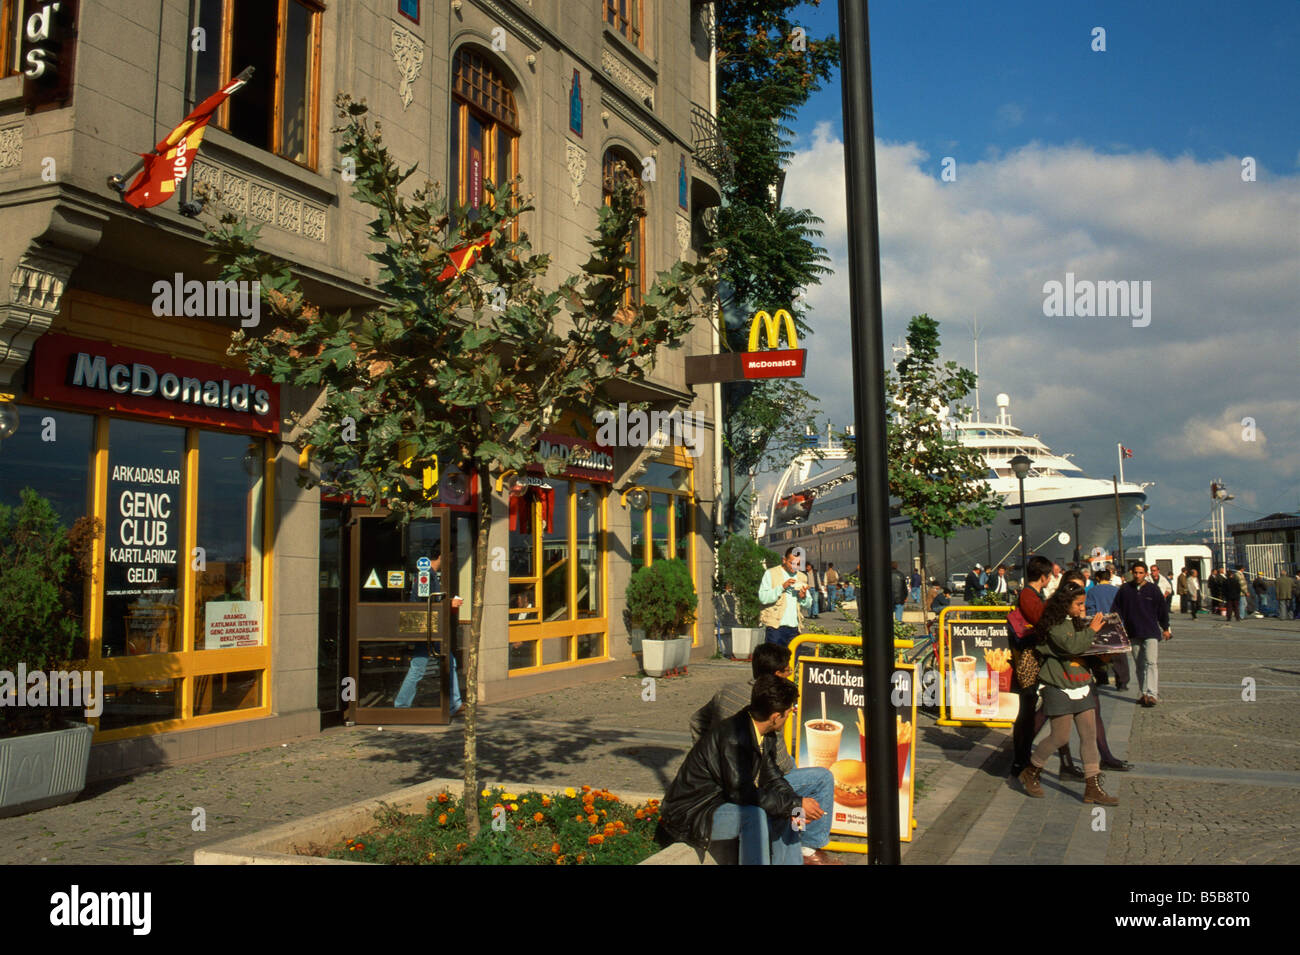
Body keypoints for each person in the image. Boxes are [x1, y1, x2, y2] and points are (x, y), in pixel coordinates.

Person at [657, 675, 839, 865]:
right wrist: (794, 805)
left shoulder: (764, 732)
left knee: (786, 810)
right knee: (754, 815)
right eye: (789, 711)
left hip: (723, 801)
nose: (790, 715)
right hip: (693, 812)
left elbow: (774, 779)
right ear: (776, 716)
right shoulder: (733, 738)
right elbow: (742, 793)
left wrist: (796, 805)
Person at [1016, 582, 1119, 806]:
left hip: (1081, 682)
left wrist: (1104, 654)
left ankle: (1093, 786)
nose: (1083, 608)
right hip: (1058, 684)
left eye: (1083, 604)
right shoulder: (1053, 625)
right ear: (1065, 604)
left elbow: (1086, 649)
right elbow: (1071, 646)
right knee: (1060, 736)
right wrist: (1092, 630)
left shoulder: (1076, 622)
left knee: (1089, 735)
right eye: (1078, 604)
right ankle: (1031, 770)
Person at [394, 545, 463, 715]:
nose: (452, 561)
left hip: (428, 628)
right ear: (442, 556)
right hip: (427, 628)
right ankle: (402, 705)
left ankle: (403, 704)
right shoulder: (426, 575)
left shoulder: (431, 575)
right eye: (451, 556)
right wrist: (449, 604)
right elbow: (426, 602)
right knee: (426, 665)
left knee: (426, 664)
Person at [1010, 554, 1054, 776]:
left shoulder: (1032, 594)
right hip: (1028, 659)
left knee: (1029, 708)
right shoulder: (1029, 595)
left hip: (1031, 657)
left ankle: (1022, 756)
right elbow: (1040, 619)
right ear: (1044, 577)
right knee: (1027, 710)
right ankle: (1021, 759)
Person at [1112, 561, 1171, 707]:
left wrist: (1165, 628)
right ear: (1132, 573)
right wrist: (1117, 626)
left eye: (1141, 573)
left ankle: (1152, 694)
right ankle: (1144, 692)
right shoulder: (1125, 589)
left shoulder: (1153, 590)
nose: (1138, 575)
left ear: (1146, 574)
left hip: (1151, 631)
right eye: (1135, 572)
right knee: (1139, 664)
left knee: (1151, 662)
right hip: (1133, 632)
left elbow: (1162, 610)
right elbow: (1116, 609)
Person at [758, 547, 813, 648]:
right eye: (791, 563)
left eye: (798, 564)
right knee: (774, 661)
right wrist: (782, 587)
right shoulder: (771, 573)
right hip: (775, 627)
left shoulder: (802, 577)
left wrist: (803, 597)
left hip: (794, 628)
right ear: (784, 560)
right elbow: (763, 597)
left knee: (792, 661)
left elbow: (809, 604)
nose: (794, 567)